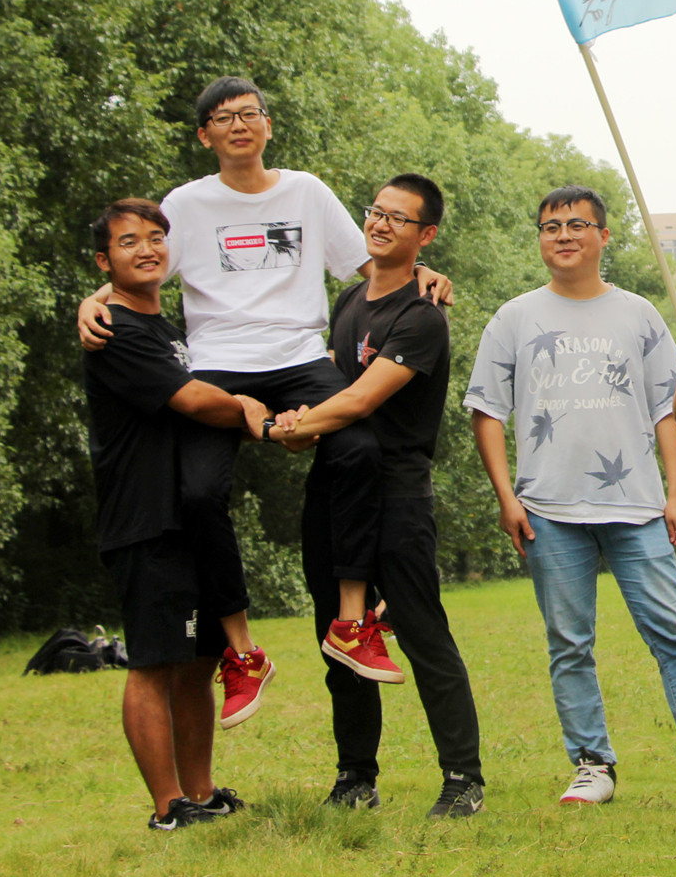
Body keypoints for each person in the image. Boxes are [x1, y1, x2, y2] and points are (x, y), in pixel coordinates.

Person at [77, 77, 450, 726]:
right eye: (224, 118)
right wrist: (92, 299)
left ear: (268, 125)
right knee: (198, 493)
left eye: (250, 114)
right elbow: (141, 265)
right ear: (205, 135)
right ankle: (243, 652)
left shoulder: (306, 191)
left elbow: (372, 266)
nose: (239, 125)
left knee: (359, 448)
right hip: (219, 364)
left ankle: (352, 619)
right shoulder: (186, 204)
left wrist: (422, 269)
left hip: (300, 356)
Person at [469, 186, 676, 807]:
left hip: (637, 506)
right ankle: (592, 763)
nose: (563, 235)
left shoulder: (639, 314)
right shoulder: (514, 318)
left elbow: (667, 411)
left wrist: (675, 495)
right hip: (548, 508)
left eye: (577, 224)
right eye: (550, 226)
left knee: (674, 632)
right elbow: (486, 410)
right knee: (569, 644)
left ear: (603, 236)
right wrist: (507, 497)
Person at [268, 175, 484, 818]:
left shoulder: (422, 316)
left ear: (426, 235)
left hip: (396, 495)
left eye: (399, 218)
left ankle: (463, 778)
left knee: (421, 632)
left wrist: (288, 426)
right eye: (375, 212)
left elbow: (361, 399)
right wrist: (300, 428)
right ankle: (354, 777)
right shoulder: (348, 300)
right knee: (339, 636)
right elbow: (330, 394)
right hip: (335, 488)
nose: (381, 224)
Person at [80, 198, 271, 830]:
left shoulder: (166, 330)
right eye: (128, 241)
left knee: (195, 663)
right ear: (105, 262)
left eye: (156, 237)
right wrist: (248, 407)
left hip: (187, 517)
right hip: (144, 519)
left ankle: (202, 792)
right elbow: (191, 401)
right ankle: (168, 808)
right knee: (154, 663)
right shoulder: (115, 330)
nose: (147, 249)